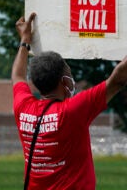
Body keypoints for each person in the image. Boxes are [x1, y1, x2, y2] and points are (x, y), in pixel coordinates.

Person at [12, 13, 127, 189]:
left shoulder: (24, 109)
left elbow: (18, 75)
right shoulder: (72, 111)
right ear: (63, 80)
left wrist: (24, 41)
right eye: (68, 71)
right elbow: (117, 80)